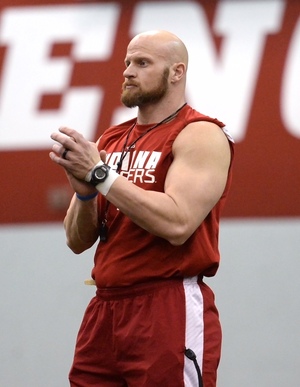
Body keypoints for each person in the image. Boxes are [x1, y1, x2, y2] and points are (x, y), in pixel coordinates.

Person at [50, 30, 234, 387]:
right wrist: (87, 194)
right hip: (105, 308)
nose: (129, 71)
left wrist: (101, 175)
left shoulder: (200, 134)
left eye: (143, 63)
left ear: (176, 72)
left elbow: (178, 222)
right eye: (128, 63)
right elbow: (76, 240)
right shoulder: (111, 139)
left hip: (167, 306)